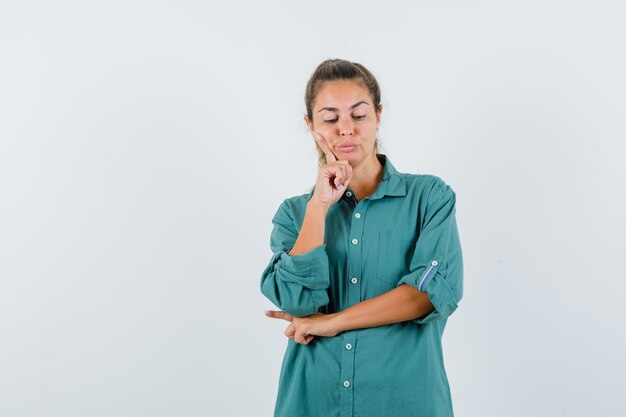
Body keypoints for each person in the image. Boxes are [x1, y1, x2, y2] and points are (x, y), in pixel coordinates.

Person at [260, 58, 464, 417]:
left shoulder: (429, 198)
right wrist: (319, 206)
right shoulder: (295, 214)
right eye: (330, 118)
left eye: (358, 115)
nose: (346, 130)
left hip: (405, 402)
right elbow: (298, 302)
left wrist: (333, 321)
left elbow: (426, 294)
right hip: (314, 401)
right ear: (310, 125)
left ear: (378, 116)